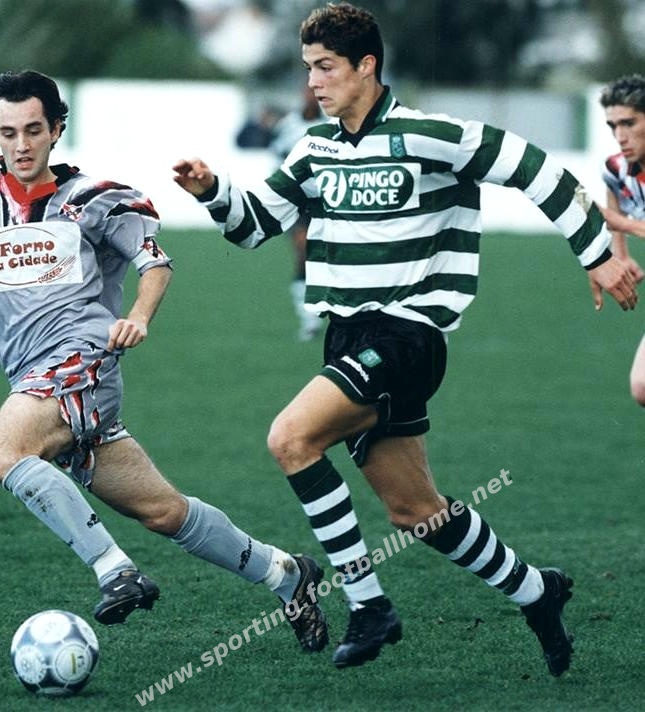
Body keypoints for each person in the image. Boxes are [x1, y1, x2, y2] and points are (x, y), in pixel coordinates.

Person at [172, 3, 638, 675]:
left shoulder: (430, 134)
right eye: (308, 69)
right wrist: (211, 190)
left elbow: (537, 169)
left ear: (366, 65)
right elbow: (251, 227)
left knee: (291, 439)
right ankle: (537, 591)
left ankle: (368, 605)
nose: (314, 83)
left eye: (326, 68)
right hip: (347, 336)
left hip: (407, 336)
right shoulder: (313, 149)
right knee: (415, 511)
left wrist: (596, 254)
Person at [0, 69, 328, 654]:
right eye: (7, 133)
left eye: (32, 130)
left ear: (56, 130)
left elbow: (155, 263)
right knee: (163, 511)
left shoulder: (96, 199)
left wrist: (139, 316)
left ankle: (114, 570)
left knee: (6, 448)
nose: (20, 145)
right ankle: (287, 575)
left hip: (83, 364)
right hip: (32, 379)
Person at [596, 74, 645, 406]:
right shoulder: (617, 168)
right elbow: (612, 194)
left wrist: (620, 223)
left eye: (629, 123)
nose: (620, 136)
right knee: (642, 386)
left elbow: (613, 216)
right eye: (613, 126)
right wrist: (621, 253)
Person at [269, 85, 324, 341]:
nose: (311, 96)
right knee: (303, 252)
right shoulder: (288, 126)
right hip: (299, 201)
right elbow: (277, 160)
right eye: (307, 92)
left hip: (328, 200)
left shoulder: (332, 124)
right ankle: (308, 318)